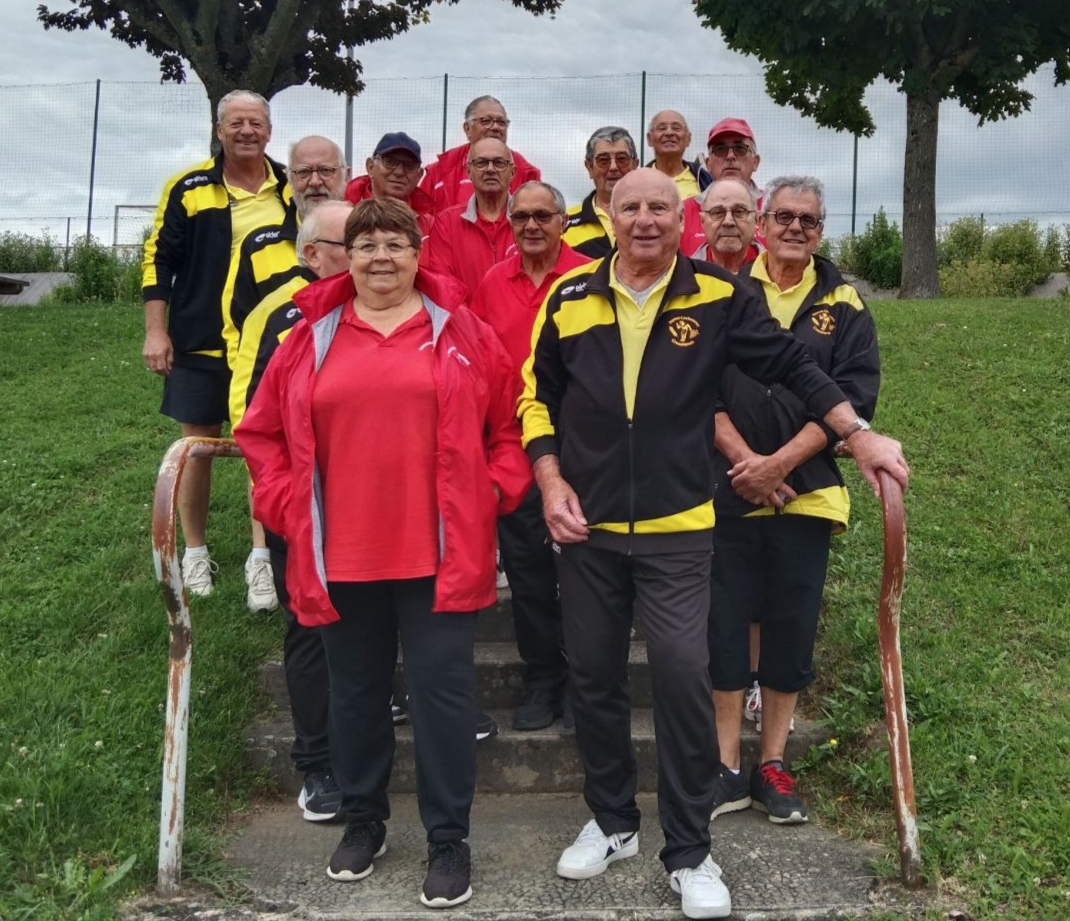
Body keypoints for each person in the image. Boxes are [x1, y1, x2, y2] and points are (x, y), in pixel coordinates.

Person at [518, 168, 908, 920]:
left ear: (680, 218)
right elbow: (537, 395)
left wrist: (857, 435)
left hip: (682, 531)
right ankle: (613, 820)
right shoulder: (566, 298)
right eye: (628, 207)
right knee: (593, 676)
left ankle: (690, 849)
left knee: (681, 671)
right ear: (607, 214)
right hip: (589, 530)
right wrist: (549, 478)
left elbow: (796, 365)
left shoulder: (721, 297)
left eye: (659, 207)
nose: (643, 220)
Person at [235, 198, 532, 908]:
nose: (380, 257)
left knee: (444, 700)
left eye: (395, 243)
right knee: (357, 696)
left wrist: (494, 492)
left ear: (417, 250)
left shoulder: (461, 332)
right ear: (347, 254)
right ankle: (364, 820)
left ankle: (448, 837)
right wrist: (282, 505)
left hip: (439, 555)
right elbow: (261, 434)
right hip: (340, 557)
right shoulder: (309, 337)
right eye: (365, 243)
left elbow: (510, 422)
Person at [708, 176, 879, 826]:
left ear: (821, 229)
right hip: (726, 487)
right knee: (724, 627)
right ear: (761, 221)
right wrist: (742, 460)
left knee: (789, 630)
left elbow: (852, 396)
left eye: (809, 219)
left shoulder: (846, 303)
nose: (795, 228)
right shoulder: (724, 289)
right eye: (784, 216)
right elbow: (697, 385)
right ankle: (727, 764)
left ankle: (772, 761)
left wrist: (778, 463)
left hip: (806, 496)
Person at [231, 199, 353, 821]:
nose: (364, 250)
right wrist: (282, 502)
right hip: (307, 509)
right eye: (348, 240)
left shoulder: (381, 306)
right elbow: (253, 424)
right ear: (312, 254)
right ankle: (317, 764)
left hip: (373, 509)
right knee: (310, 631)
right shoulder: (276, 317)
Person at [142, 89, 290, 600]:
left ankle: (262, 558)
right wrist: (156, 331)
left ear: (269, 131)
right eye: (236, 123)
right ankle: (197, 554)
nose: (247, 131)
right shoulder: (189, 188)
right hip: (201, 342)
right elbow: (159, 260)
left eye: (256, 122)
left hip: (267, 344)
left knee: (263, 450)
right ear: (220, 130)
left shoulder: (289, 189)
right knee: (197, 450)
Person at [469, 181, 590, 731]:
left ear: (564, 221)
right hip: (516, 449)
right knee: (528, 574)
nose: (532, 226)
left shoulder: (591, 275)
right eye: (521, 217)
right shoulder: (493, 283)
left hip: (588, 447)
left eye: (544, 215)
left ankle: (587, 682)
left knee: (589, 576)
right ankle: (543, 677)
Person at [223, 134, 349, 613]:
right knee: (308, 622)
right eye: (303, 172)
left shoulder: (371, 246)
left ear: (346, 174)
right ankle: (260, 556)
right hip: (292, 452)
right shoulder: (261, 246)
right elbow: (239, 331)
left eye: (327, 171)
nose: (316, 181)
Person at [421, 138, 517, 298]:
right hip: (466, 322)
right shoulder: (446, 223)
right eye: (481, 163)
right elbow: (444, 287)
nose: (490, 169)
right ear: (468, 171)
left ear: (513, 172)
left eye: (499, 163)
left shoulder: (531, 221)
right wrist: (473, 323)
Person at [419, 95, 540, 214]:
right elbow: (421, 221)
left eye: (501, 122)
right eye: (486, 121)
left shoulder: (526, 173)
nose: (496, 127)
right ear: (467, 128)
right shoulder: (438, 173)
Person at [683, 118, 765, 257]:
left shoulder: (775, 210)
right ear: (708, 164)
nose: (730, 156)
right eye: (720, 149)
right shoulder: (684, 211)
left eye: (740, 149)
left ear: (755, 162)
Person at [562, 126, 639, 259]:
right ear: (590, 167)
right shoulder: (564, 224)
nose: (613, 167)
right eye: (603, 160)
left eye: (622, 159)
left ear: (635, 165)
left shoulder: (655, 218)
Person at [344, 131, 435, 236]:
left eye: (408, 166)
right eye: (390, 162)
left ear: (419, 176)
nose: (399, 172)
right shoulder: (342, 216)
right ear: (371, 167)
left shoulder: (431, 227)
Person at [692, 178, 761, 271]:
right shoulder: (685, 275)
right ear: (703, 221)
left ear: (756, 220)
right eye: (717, 212)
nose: (728, 222)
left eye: (739, 211)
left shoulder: (775, 273)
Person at [645, 110, 711, 201]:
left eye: (676, 128)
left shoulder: (706, 180)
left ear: (688, 138)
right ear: (649, 139)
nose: (669, 133)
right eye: (661, 128)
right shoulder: (638, 181)